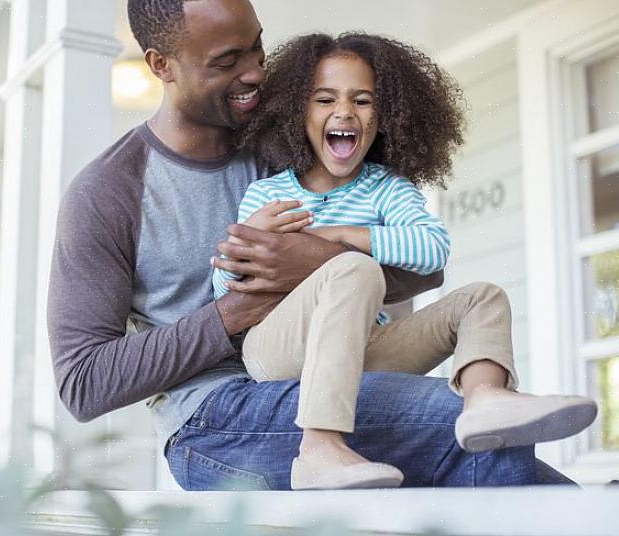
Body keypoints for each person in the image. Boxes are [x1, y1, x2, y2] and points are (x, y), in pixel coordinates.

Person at [47, 0, 578, 490]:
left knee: (483, 428)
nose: (256, 72)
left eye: (256, 46)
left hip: (336, 365)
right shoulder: (110, 193)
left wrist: (324, 254)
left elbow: (423, 268)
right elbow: (84, 384)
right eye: (228, 60)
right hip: (211, 418)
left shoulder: (288, 142)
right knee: (456, 421)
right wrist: (236, 309)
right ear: (162, 65)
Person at [211, 33, 597, 490]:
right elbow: (225, 295)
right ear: (298, 111)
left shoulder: (387, 189)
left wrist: (342, 235)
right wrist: (248, 242)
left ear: (386, 115)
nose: (344, 112)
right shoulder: (269, 193)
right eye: (324, 99)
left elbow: (432, 248)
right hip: (279, 348)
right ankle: (318, 449)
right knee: (355, 268)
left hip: (362, 347)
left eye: (363, 100)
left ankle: (486, 398)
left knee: (482, 297)